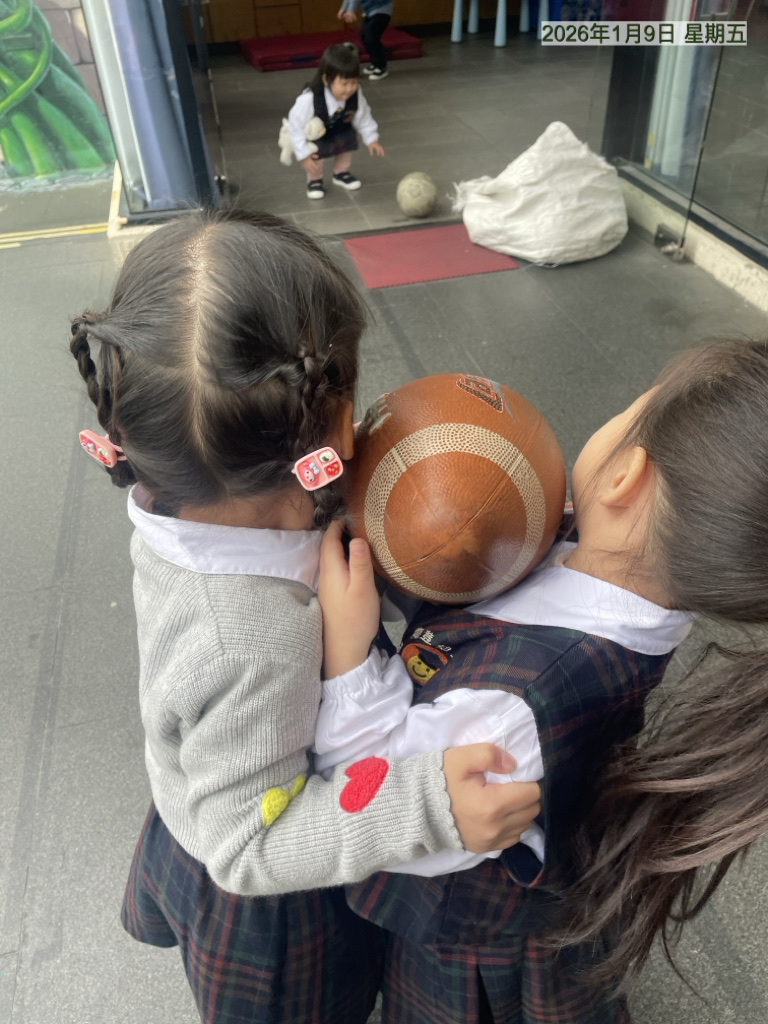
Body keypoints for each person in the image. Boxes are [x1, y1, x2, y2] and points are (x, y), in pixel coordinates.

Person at [69, 208, 541, 1024]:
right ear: (334, 430)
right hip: (273, 881)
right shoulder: (249, 640)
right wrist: (428, 804)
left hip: (228, 778)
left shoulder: (175, 491)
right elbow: (249, 848)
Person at [315, 338, 768, 1023]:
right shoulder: (601, 560)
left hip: (468, 927)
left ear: (625, 476)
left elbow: (370, 791)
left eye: (627, 414)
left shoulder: (516, 708)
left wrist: (350, 654)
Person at [286, 42, 384, 200]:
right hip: (319, 133)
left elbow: (363, 115)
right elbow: (295, 124)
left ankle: (341, 173)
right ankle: (314, 179)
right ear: (327, 79)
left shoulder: (355, 95)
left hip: (341, 128)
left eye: (354, 82)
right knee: (315, 156)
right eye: (344, 83)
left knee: (347, 144)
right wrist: (303, 154)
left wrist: (371, 138)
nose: (350, 88)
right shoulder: (311, 98)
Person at [338, 0, 393, 81]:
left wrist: (351, 10)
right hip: (369, 12)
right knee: (364, 37)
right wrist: (343, 9)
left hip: (381, 10)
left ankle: (381, 67)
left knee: (371, 38)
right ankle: (375, 63)